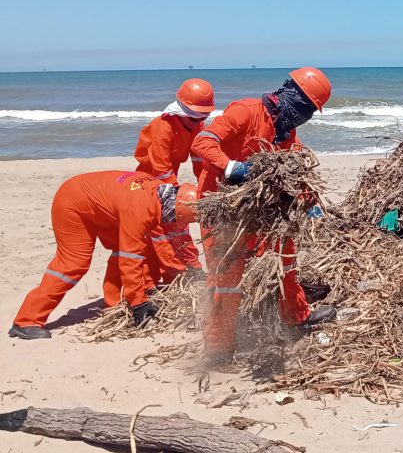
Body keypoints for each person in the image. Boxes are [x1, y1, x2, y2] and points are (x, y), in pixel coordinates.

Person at [190, 67, 337, 363]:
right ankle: (219, 348)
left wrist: (310, 200)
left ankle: (296, 317)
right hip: (221, 207)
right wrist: (231, 167)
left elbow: (293, 169)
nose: (304, 116)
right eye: (304, 107)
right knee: (226, 277)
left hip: (258, 211)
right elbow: (202, 142)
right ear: (288, 96)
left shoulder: (285, 131)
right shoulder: (244, 112)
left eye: (310, 111)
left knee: (284, 256)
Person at [9, 173, 198, 339]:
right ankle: (27, 320)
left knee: (135, 246)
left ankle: (113, 304)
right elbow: (130, 259)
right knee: (73, 264)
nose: (172, 222)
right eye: (174, 219)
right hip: (73, 203)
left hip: (100, 203)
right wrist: (139, 303)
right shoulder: (139, 210)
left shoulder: (162, 193)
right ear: (174, 209)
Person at [133, 78, 215, 286]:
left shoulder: (196, 126)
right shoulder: (164, 126)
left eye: (201, 118)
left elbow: (199, 160)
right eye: (194, 119)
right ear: (182, 110)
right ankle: (177, 275)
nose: (198, 123)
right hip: (148, 182)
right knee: (164, 230)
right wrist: (174, 193)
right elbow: (160, 168)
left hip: (169, 179)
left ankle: (190, 270)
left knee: (178, 227)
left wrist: (207, 186)